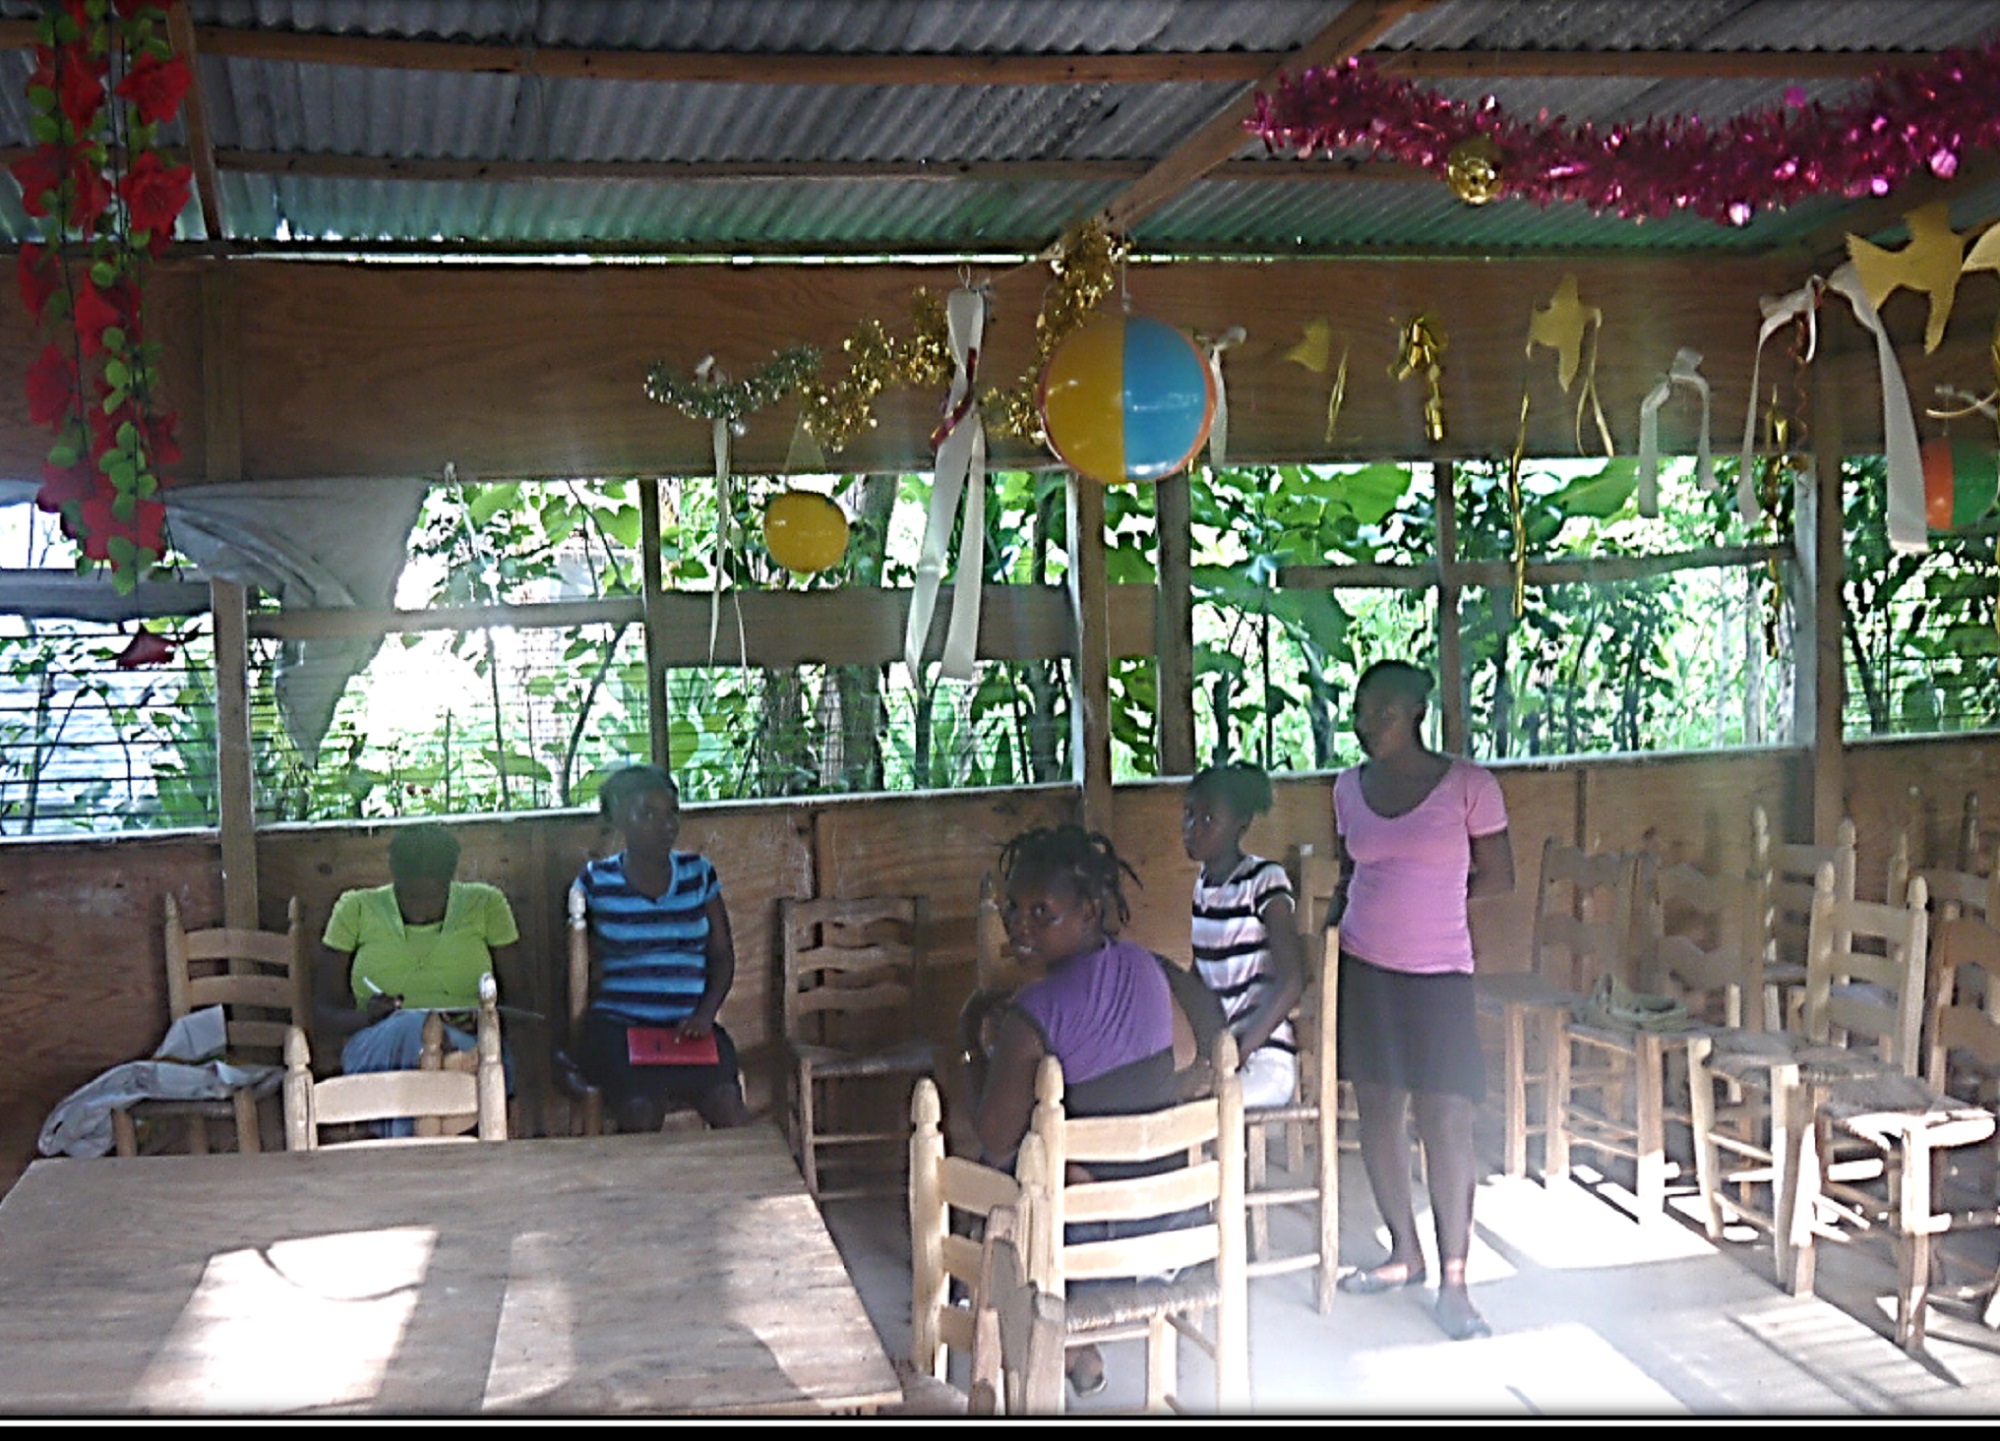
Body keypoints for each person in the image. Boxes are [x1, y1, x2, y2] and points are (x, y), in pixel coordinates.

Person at [968, 823, 1212, 1400]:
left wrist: (971, 1044)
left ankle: (1042, 1337)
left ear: (1089, 912)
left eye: (1041, 912)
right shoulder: (1146, 967)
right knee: (1059, 1154)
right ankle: (1079, 1350)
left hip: (1088, 1240)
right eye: (1012, 910)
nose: (1020, 926)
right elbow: (1184, 1057)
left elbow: (993, 1135)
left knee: (1001, 1165)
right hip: (1173, 1220)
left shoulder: (1032, 1012)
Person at [1328, 659, 1514, 1342]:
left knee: (1447, 1120)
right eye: (1358, 708)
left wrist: (1431, 901)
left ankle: (1455, 1282)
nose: (1363, 721)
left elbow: (1499, 874)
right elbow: (1350, 873)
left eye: (1378, 709)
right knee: (1378, 1110)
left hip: (1439, 974)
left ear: (1413, 709)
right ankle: (1404, 1251)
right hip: (1365, 969)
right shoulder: (1347, 788)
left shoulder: (1468, 784)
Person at [572, 764, 752, 1132]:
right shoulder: (597, 881)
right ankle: (640, 1191)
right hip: (619, 1030)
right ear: (619, 819)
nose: (666, 824)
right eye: (647, 814)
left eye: (672, 812)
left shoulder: (698, 874)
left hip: (689, 1029)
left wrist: (705, 1015)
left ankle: (739, 1189)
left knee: (726, 1103)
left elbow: (722, 957)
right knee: (640, 1108)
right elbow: (578, 969)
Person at [315, 824, 521, 1134]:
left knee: (431, 1049)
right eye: (410, 896)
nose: (421, 910)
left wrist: (484, 1020)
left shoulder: (486, 905)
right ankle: (446, 1065)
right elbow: (322, 1013)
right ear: (394, 876)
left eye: (433, 897)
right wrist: (368, 1017)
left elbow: (521, 1000)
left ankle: (408, 1146)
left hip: (472, 1042)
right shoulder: (355, 909)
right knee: (417, 1029)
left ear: (451, 878)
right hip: (377, 1048)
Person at [1184, 763, 1307, 1111]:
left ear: (1241, 825)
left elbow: (1293, 980)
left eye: (1209, 820)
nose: (1193, 828)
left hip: (1265, 1060)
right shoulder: (1204, 889)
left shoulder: (1264, 880)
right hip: (1221, 1057)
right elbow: (1202, 974)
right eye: (1189, 814)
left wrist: (1237, 1053)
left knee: (1194, 1112)